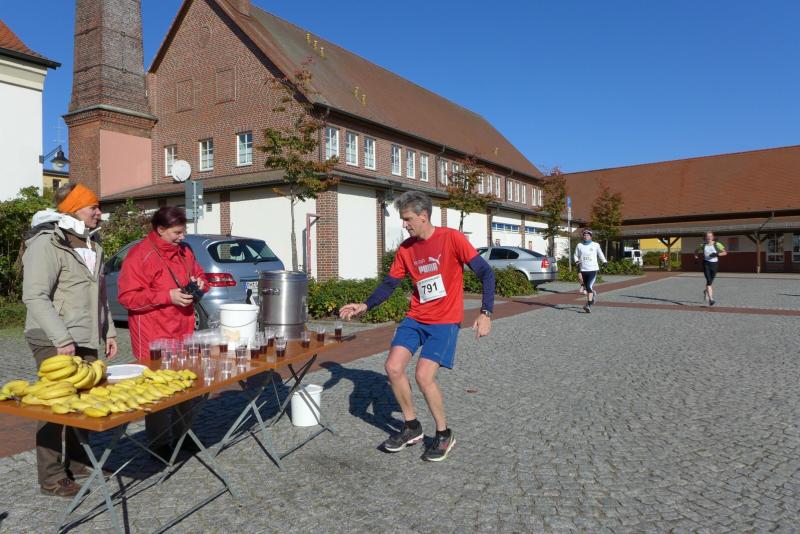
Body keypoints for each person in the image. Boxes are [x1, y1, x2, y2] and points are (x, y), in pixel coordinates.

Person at [339, 191, 495, 462]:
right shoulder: (406, 249)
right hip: (415, 318)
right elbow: (390, 283)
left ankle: (444, 433)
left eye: (408, 219)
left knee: (424, 376)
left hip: (444, 321)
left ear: (423, 216)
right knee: (393, 367)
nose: (404, 225)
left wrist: (486, 312)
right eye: (403, 219)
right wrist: (365, 305)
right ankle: (411, 427)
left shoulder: (452, 238)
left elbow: (485, 272)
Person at [22, 182, 118, 497]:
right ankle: (51, 477)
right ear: (74, 209)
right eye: (94, 207)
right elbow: (34, 296)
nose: (99, 213)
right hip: (52, 337)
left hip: (86, 334)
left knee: (83, 400)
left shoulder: (93, 243)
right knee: (56, 404)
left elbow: (99, 294)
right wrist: (61, 339)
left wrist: (108, 331)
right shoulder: (47, 243)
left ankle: (77, 463)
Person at [117, 207, 207, 458]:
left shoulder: (185, 251)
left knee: (185, 383)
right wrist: (167, 296)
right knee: (158, 389)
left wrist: (201, 283)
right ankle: (158, 443)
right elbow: (127, 298)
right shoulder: (140, 255)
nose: (182, 237)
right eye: (177, 232)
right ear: (160, 230)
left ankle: (183, 434)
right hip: (152, 334)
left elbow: (200, 275)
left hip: (182, 328)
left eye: (183, 231)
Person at [574, 229, 606, 313]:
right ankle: (592, 297)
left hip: (592, 269)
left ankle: (588, 304)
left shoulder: (595, 245)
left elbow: (600, 254)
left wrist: (604, 261)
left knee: (588, 286)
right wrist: (577, 261)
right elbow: (575, 255)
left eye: (587, 235)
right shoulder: (579, 245)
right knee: (587, 287)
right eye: (584, 235)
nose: (585, 236)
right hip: (583, 269)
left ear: (591, 236)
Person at [693, 231, 727, 306]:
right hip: (706, 264)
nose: (709, 238)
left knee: (710, 281)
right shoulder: (703, 245)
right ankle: (711, 299)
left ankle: (706, 291)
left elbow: (725, 252)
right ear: (705, 237)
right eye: (707, 236)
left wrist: (717, 254)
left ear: (713, 237)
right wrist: (696, 258)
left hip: (715, 264)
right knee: (708, 281)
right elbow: (696, 251)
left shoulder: (717, 244)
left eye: (710, 236)